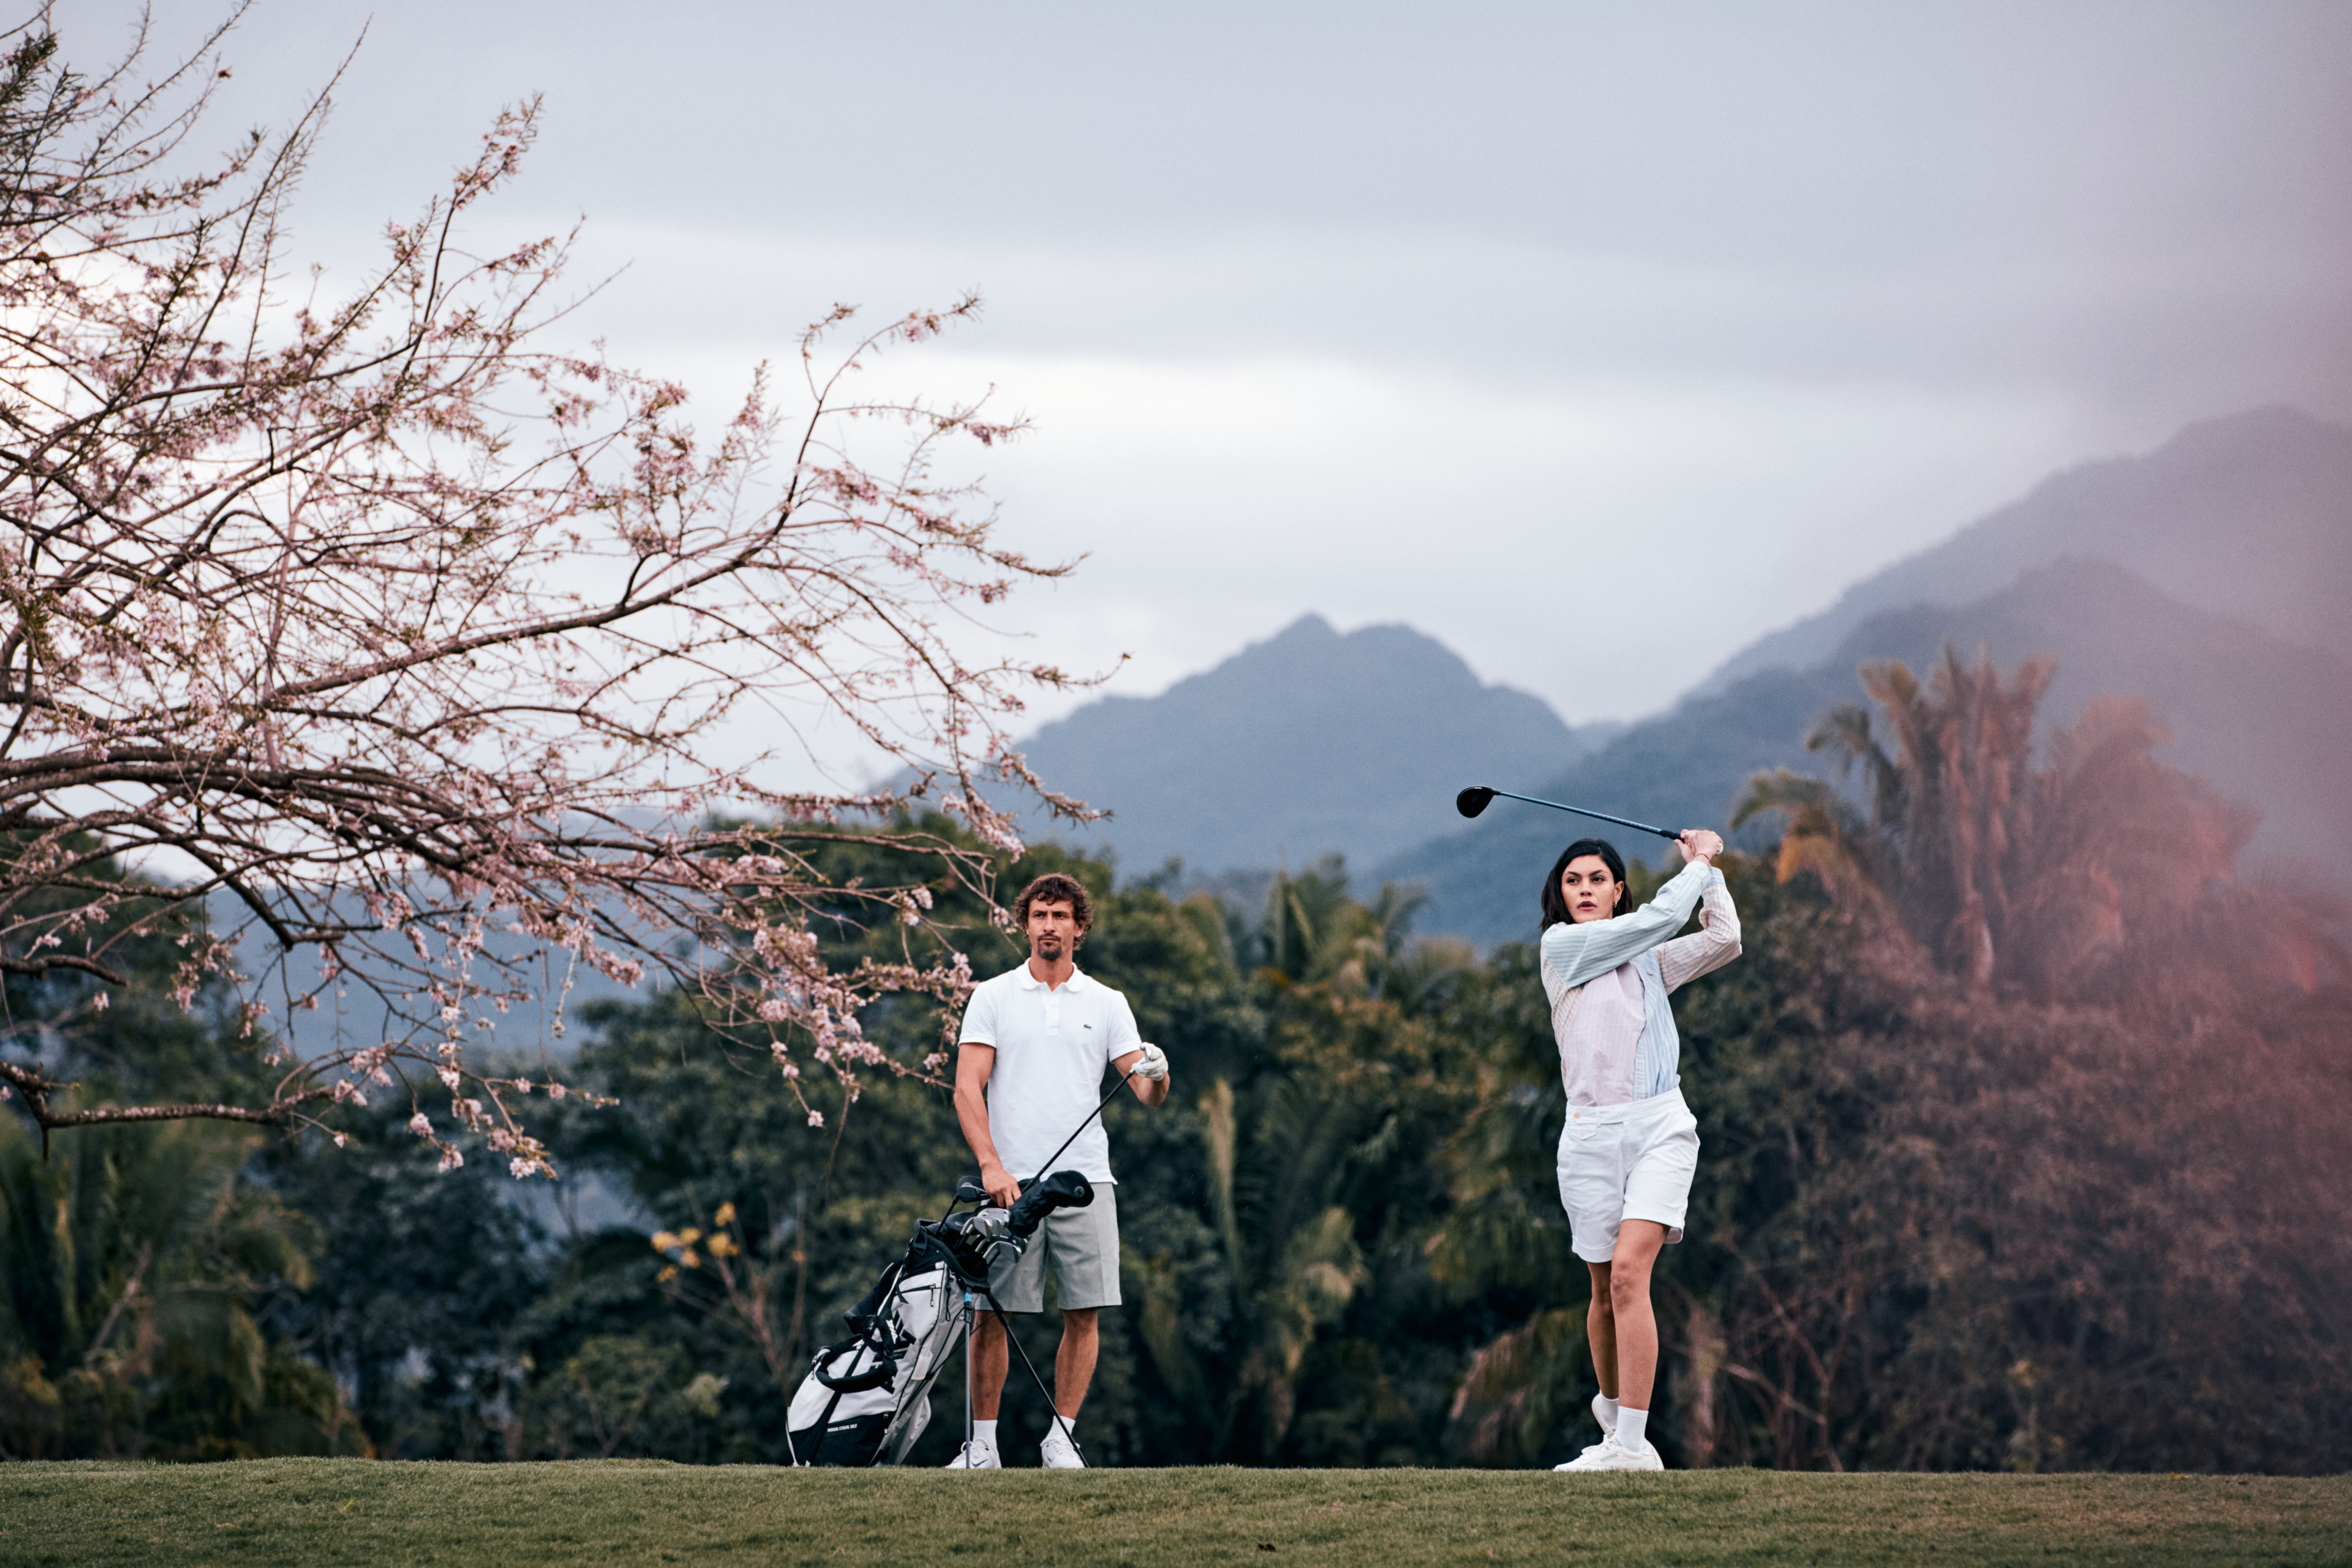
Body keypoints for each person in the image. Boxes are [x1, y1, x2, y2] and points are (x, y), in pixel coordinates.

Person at [945, 872, 1169, 1469]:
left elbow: (1145, 1092)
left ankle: (1061, 1440)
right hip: (1011, 1181)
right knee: (993, 1313)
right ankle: (983, 1447)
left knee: (1084, 1311)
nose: (1049, 925)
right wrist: (991, 1165)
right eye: (1040, 914)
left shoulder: (1108, 1002)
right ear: (1026, 923)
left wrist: (1160, 1071)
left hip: (1088, 1181)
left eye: (1061, 915)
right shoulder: (992, 996)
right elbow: (967, 1088)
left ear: (1079, 927)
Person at [1540, 830, 1741, 1472]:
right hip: (1589, 1135)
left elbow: (1725, 938)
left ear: (1617, 888)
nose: (1586, 890)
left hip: (1660, 1127)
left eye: (1598, 879)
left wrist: (1710, 875)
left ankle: (1632, 1445)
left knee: (1630, 1272)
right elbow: (1660, 917)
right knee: (1601, 1289)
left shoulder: (1651, 960)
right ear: (1561, 895)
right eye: (1574, 881)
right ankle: (1612, 1421)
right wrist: (1701, 860)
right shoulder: (1562, 948)